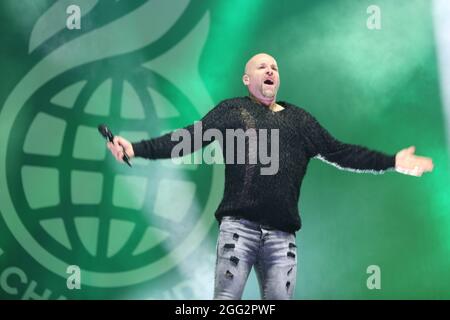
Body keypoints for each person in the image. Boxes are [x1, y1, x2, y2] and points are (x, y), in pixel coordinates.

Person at [107, 53, 434, 299]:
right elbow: (185, 140)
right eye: (262, 67)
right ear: (246, 80)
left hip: (282, 238)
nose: (270, 70)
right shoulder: (232, 111)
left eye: (274, 68)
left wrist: (392, 160)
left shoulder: (301, 122)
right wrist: (135, 148)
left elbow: (342, 153)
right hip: (239, 230)